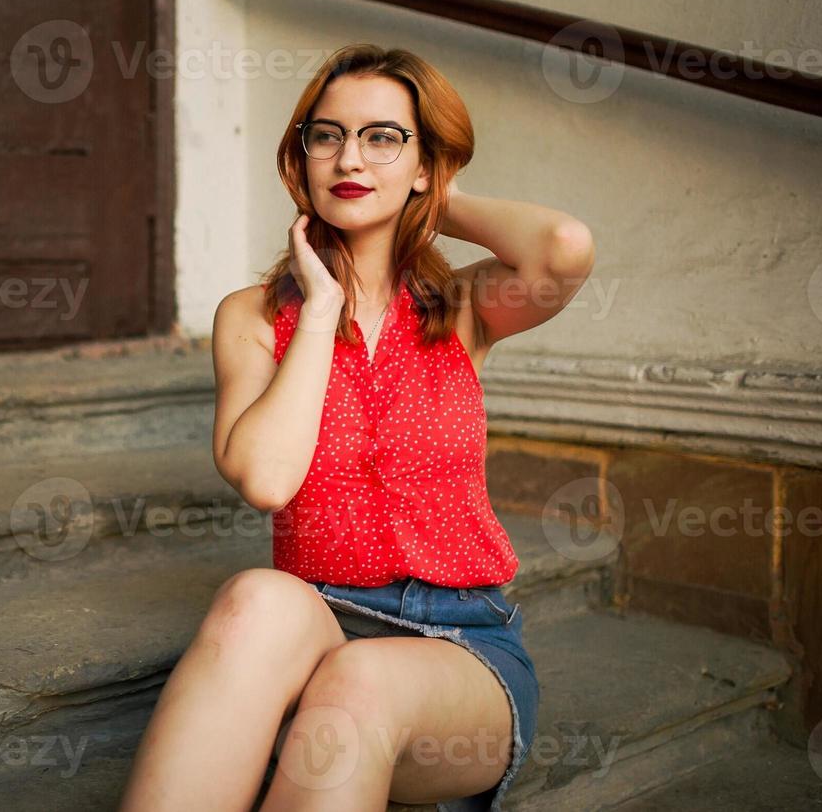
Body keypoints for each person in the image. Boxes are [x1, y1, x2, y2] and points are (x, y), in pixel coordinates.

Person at [118, 43, 595, 811]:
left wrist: (428, 191)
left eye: (382, 137)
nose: (349, 157)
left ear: (423, 165)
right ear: (301, 157)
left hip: (460, 644)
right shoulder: (251, 318)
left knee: (359, 683)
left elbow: (563, 247)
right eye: (327, 135)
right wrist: (317, 311)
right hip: (310, 629)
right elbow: (268, 479)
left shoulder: (461, 308)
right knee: (254, 597)